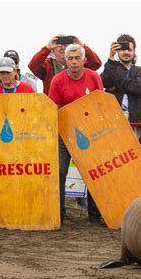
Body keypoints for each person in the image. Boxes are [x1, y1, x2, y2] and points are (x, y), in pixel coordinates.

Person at [48, 44, 103, 224]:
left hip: (89, 133)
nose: (73, 62)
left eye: (77, 58)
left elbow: (100, 103)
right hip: (65, 133)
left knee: (94, 173)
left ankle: (95, 215)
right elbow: (52, 108)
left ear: (84, 60)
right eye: (70, 58)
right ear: (65, 60)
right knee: (60, 172)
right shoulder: (57, 80)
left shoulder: (94, 77)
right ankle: (59, 214)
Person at [100, 34, 141, 135]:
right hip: (113, 119)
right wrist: (111, 57)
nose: (126, 52)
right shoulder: (112, 66)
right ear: (117, 51)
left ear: (134, 52)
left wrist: (117, 84)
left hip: (135, 121)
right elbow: (104, 82)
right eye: (123, 49)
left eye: (130, 50)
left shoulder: (140, 70)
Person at [28, 34, 101, 95]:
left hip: (78, 105)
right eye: (58, 45)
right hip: (53, 106)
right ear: (52, 50)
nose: (63, 48)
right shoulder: (47, 65)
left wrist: (82, 46)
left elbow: (96, 64)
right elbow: (33, 66)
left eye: (66, 45)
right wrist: (46, 48)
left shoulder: (78, 63)